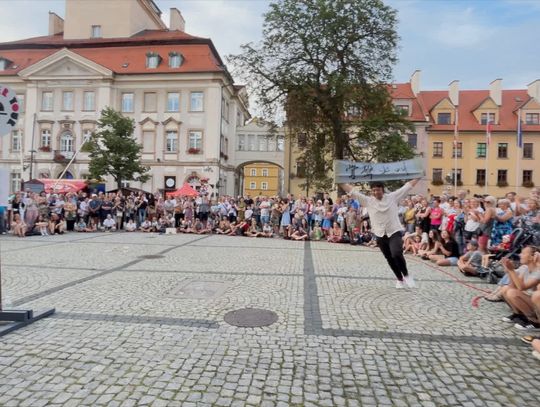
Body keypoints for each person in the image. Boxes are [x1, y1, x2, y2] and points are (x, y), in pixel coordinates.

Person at [339, 178, 421, 288]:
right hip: (380, 234)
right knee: (389, 258)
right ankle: (399, 279)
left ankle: (406, 275)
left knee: (396, 253)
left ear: (382, 190)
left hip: (394, 231)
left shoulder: (392, 197)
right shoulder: (368, 201)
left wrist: (419, 176)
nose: (375, 192)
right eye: (373, 190)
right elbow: (353, 191)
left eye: (377, 190)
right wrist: (340, 181)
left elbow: (407, 187)